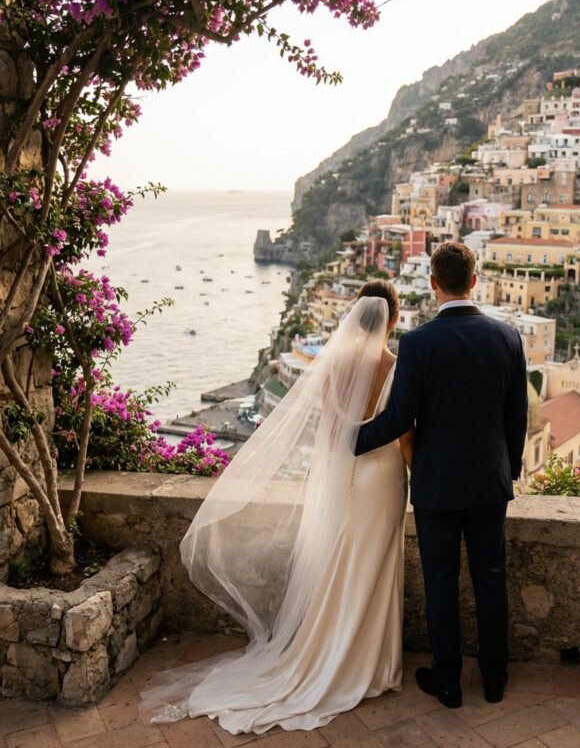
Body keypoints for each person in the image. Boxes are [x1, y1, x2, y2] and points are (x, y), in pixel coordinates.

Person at [140, 282, 411, 735]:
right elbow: (404, 435)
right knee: (375, 567)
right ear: (394, 319)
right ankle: (372, 663)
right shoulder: (397, 369)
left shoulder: (334, 366)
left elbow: (327, 434)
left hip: (344, 477)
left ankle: (327, 651)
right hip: (382, 480)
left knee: (340, 568)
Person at [355, 242, 528, 709]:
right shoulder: (509, 337)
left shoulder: (418, 343)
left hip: (437, 485)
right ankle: (495, 679)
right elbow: (518, 419)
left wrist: (347, 442)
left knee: (441, 582)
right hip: (490, 483)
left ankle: (448, 681)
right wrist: (506, 471)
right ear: (475, 280)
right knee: (492, 579)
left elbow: (398, 421)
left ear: (433, 284)